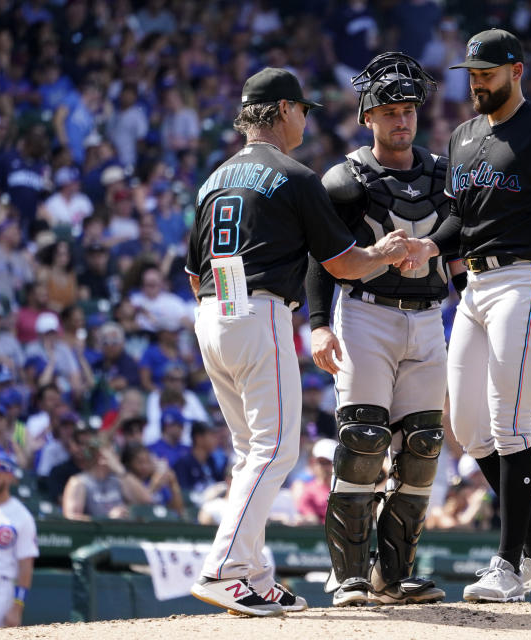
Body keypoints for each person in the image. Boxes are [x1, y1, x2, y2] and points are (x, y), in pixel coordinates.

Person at [186, 67, 411, 617]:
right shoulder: (294, 175)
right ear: (284, 110)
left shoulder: (212, 178)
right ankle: (224, 570)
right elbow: (344, 263)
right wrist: (384, 253)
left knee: (251, 452)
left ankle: (255, 575)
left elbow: (193, 272)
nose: (305, 118)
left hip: (213, 311)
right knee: (275, 448)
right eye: (303, 109)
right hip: (258, 311)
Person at [404, 28, 531, 603]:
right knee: (469, 428)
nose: (476, 84)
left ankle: (508, 564)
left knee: (509, 425)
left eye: (486, 74)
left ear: (516, 71)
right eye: (470, 75)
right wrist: (427, 246)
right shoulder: (463, 136)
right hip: (476, 286)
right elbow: (456, 222)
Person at [306, 52, 452, 606]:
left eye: (409, 110)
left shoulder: (443, 175)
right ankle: (348, 575)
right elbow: (320, 259)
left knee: (423, 446)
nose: (402, 120)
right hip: (365, 312)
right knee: (363, 441)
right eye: (390, 110)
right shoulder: (344, 179)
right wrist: (319, 326)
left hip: (429, 317)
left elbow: (459, 249)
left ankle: (394, 575)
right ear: (368, 116)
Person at [0, 451, 37, 628]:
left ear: (9, 476)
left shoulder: (21, 516)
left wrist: (17, 607)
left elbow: (26, 564)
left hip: (0, 589)